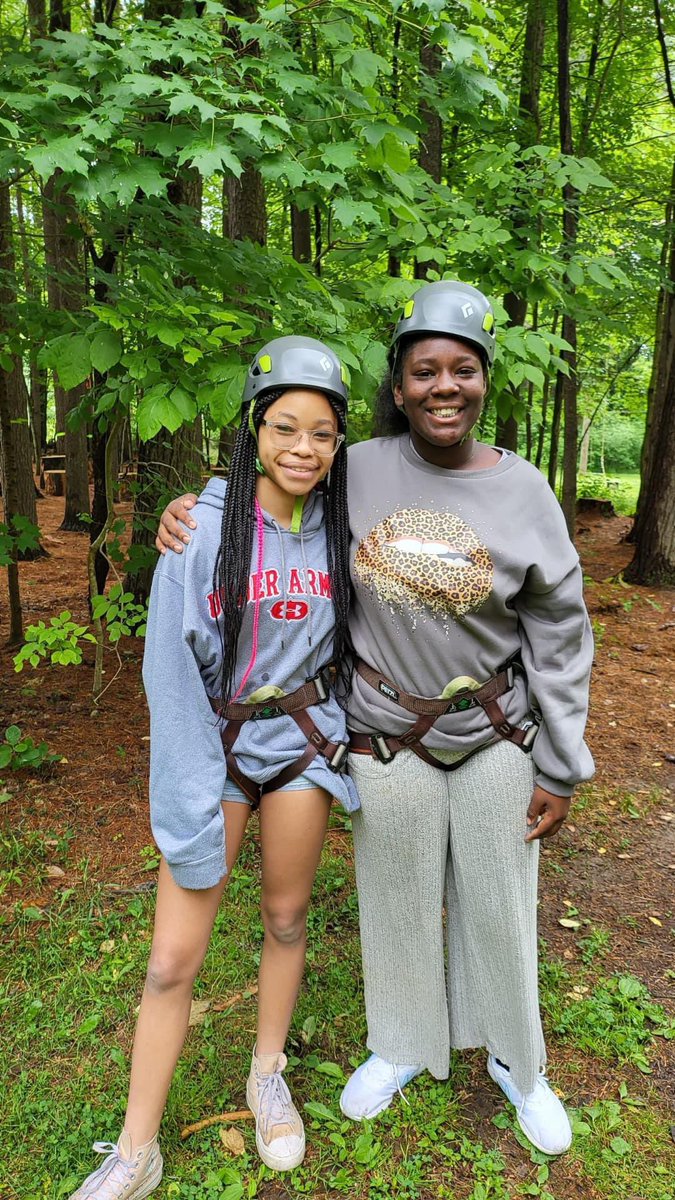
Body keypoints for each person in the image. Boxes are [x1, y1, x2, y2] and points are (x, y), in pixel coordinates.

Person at [156, 281, 594, 1158]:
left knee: (499, 898)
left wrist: (559, 759)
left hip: (497, 731)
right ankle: (400, 1043)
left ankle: (518, 1060)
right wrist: (195, 510)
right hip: (382, 729)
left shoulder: (523, 490)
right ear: (397, 386)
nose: (443, 386)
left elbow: (559, 623)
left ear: (483, 381)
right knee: (391, 893)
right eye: (423, 370)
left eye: (461, 370)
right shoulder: (357, 465)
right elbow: (278, 482)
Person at [70, 336, 358, 1200]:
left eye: (322, 433)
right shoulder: (199, 529)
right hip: (218, 751)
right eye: (284, 427)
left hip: (302, 743)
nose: (302, 448)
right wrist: (190, 809)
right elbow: (169, 677)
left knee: (284, 916)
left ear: (341, 443)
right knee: (170, 960)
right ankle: (136, 1149)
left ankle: (266, 1069)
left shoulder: (347, 528)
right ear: (253, 428)